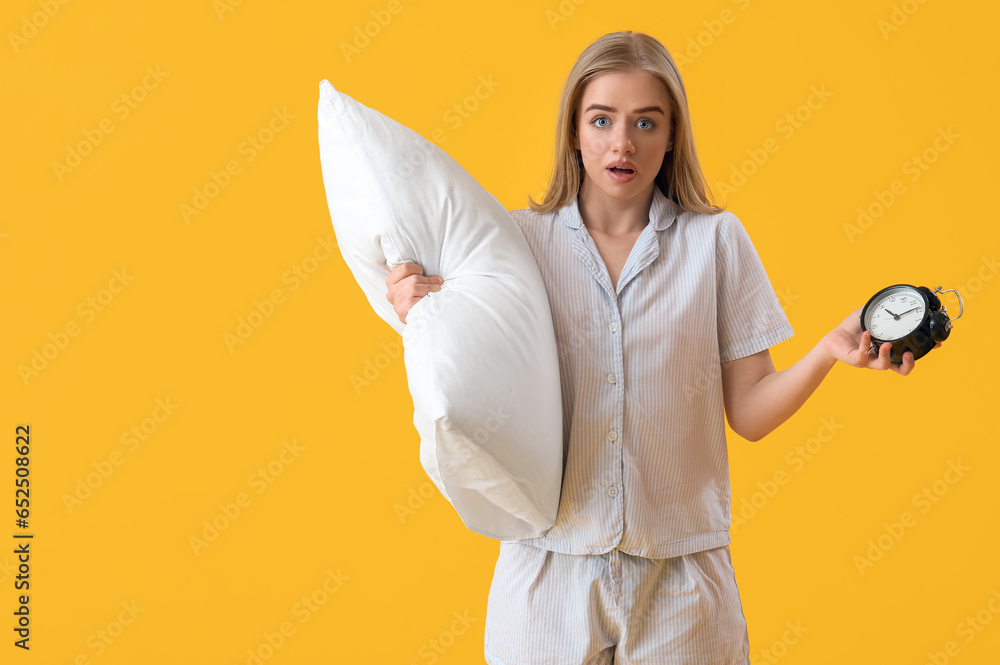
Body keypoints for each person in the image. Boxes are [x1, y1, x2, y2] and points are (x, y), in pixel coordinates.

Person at [385, 30, 924, 665]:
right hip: (547, 569)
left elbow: (749, 412)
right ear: (574, 132)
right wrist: (418, 313)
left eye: (646, 121)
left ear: (671, 137)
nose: (623, 142)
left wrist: (829, 352)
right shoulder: (515, 243)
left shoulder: (716, 242)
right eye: (602, 119)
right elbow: (470, 373)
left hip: (684, 577)